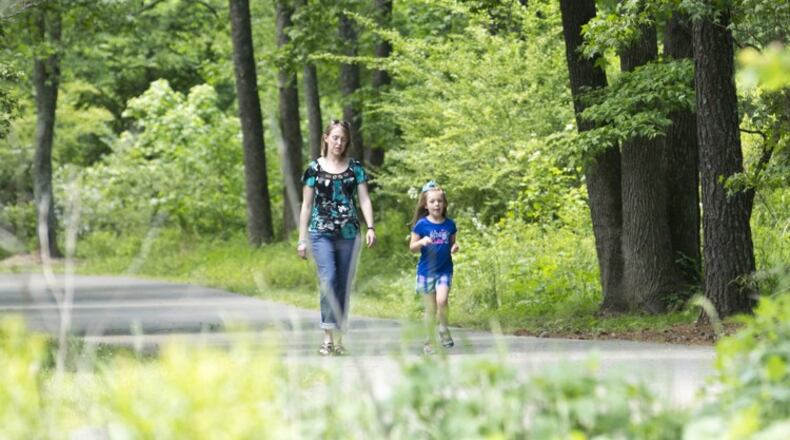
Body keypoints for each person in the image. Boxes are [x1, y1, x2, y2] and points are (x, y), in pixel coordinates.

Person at [297, 120, 376, 356]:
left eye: (343, 139)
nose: (339, 143)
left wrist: (370, 227)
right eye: (335, 138)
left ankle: (340, 340)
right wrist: (302, 239)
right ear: (326, 138)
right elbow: (307, 205)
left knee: (343, 285)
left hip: (349, 234)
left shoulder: (355, 168)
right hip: (321, 233)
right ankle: (328, 338)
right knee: (329, 279)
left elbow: (364, 200)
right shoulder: (313, 169)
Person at [409, 180, 459, 354]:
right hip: (426, 272)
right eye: (432, 201)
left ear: (444, 203)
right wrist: (422, 241)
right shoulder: (421, 225)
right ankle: (429, 341)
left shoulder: (450, 225)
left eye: (439, 201)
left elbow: (452, 244)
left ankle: (443, 329)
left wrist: (454, 247)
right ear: (425, 204)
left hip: (445, 270)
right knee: (430, 309)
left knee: (442, 301)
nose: (436, 204)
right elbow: (412, 248)